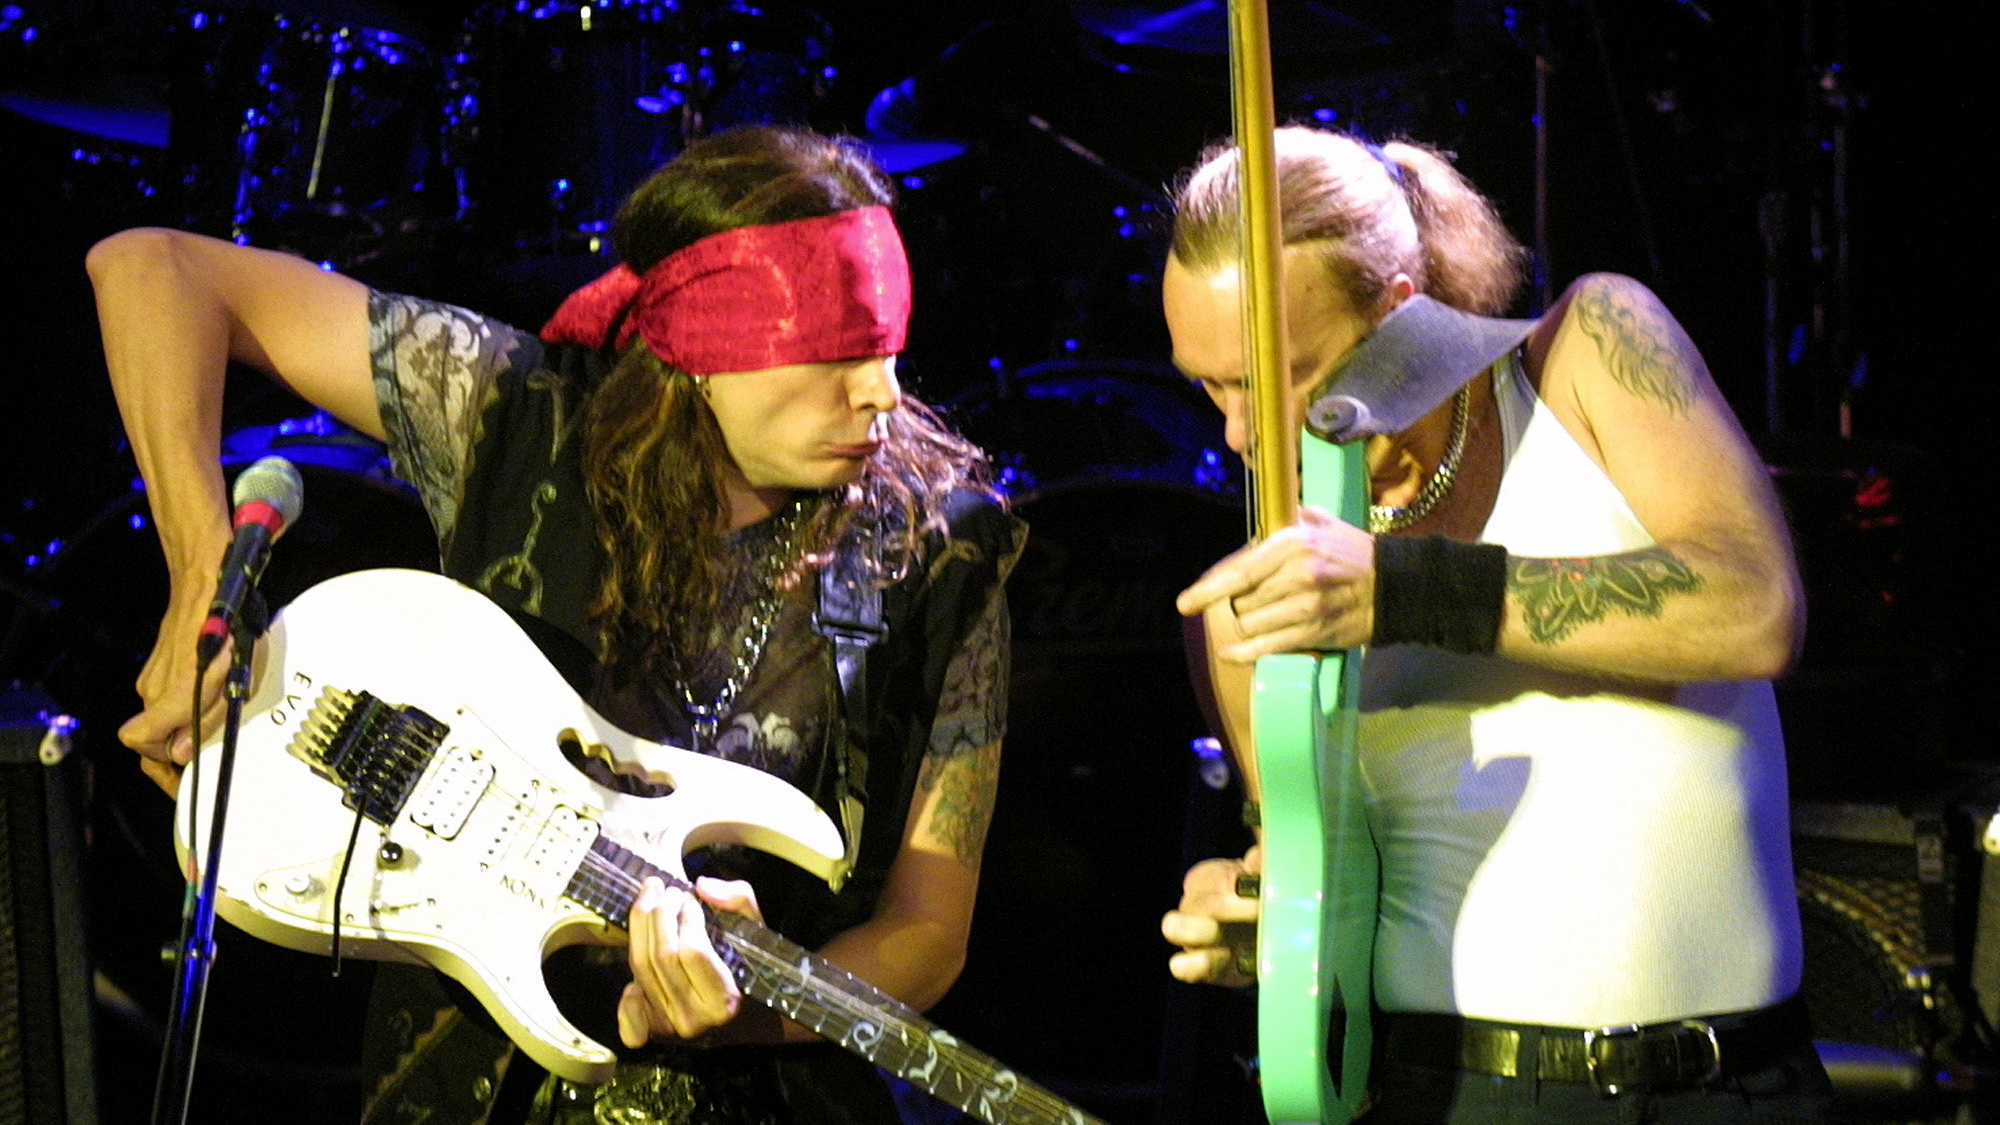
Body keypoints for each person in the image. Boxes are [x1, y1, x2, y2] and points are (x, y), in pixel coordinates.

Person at [87, 124, 1022, 1125]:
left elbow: (927, 932)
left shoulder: (937, 547)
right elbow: (152, 268)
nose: (880, 394)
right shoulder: (513, 417)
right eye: (836, 355)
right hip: (467, 1088)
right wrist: (198, 575)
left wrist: (736, 1011)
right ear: (703, 353)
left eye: (885, 351)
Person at [1156, 126, 1831, 1123]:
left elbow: (1755, 606)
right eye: (1208, 384)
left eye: (1273, 376)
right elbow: (1324, 883)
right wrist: (1264, 921)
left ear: (1398, 312)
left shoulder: (1586, 353)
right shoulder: (1259, 606)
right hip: (1457, 1095)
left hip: (1730, 1086)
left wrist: (1404, 593)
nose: (1238, 434)